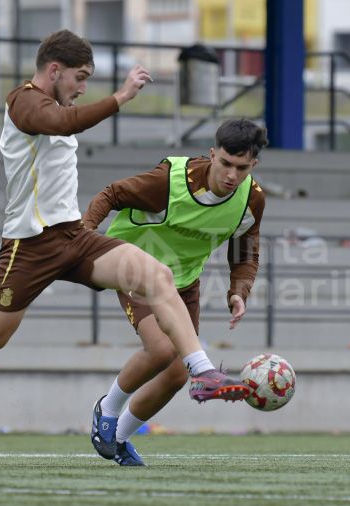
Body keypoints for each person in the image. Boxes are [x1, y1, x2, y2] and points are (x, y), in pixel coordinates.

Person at [0, 29, 248, 452]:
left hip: (74, 237)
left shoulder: (56, 104)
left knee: (157, 275)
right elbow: (60, 122)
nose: (81, 88)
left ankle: (202, 371)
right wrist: (119, 98)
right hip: (30, 246)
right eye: (80, 77)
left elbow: (64, 120)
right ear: (54, 70)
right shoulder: (23, 101)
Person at [85, 118, 268, 466]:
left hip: (183, 282)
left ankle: (119, 440)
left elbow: (246, 250)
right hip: (133, 268)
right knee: (162, 349)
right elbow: (111, 194)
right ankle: (106, 411)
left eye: (241, 168)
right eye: (225, 163)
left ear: (253, 166)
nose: (231, 175)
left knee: (175, 373)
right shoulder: (169, 181)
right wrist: (83, 235)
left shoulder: (251, 200)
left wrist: (239, 291)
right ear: (213, 154)